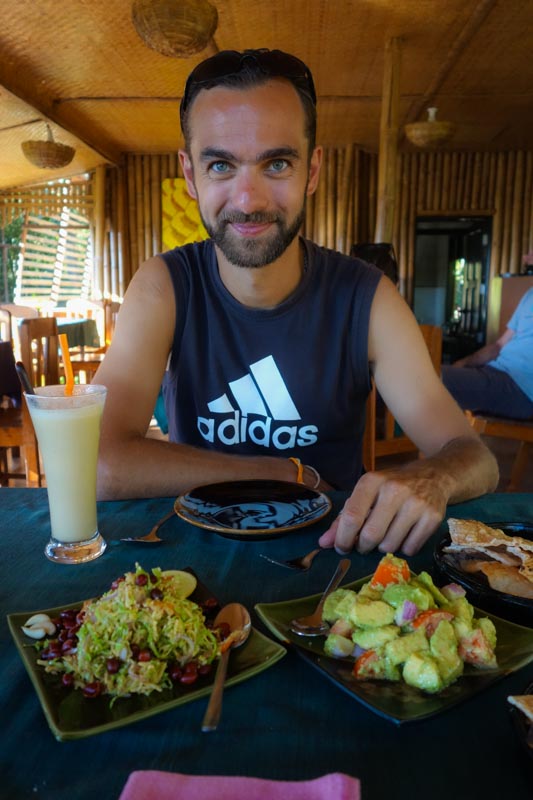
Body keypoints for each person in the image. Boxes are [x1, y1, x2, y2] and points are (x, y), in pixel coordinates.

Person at [94, 48, 498, 556]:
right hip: (193, 556)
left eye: (277, 163)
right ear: (191, 175)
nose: (248, 200)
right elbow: (98, 464)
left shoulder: (368, 297)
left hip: (332, 557)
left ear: (312, 170)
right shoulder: (163, 286)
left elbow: (475, 457)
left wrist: (433, 478)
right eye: (221, 165)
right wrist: (285, 473)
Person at [442, 287, 533, 420]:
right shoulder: (530, 294)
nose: (525, 264)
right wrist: (464, 362)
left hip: (522, 389)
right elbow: (499, 345)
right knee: (427, 375)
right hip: (495, 373)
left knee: (425, 380)